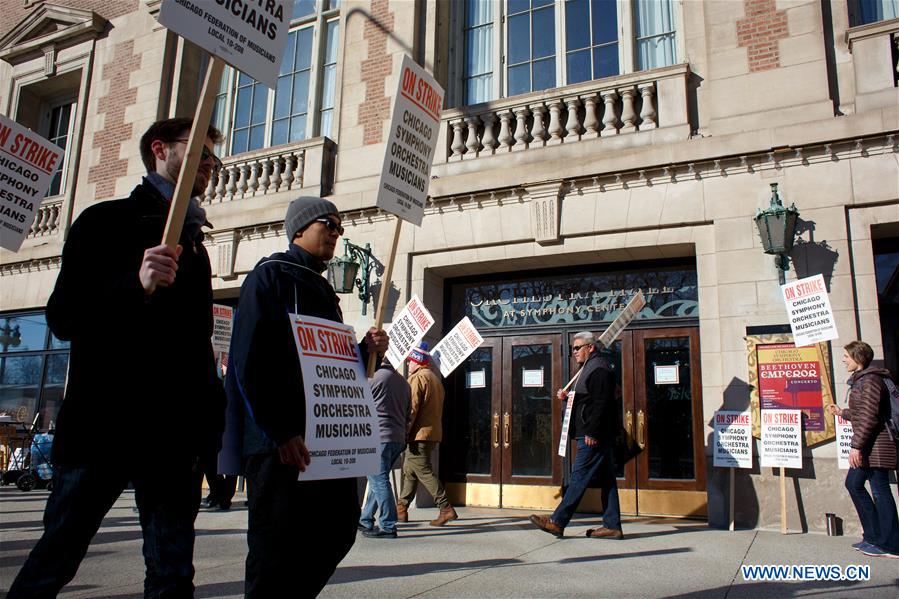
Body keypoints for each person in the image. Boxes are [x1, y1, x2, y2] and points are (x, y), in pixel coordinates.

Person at [9, 118, 227, 598]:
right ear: (159, 150)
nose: (209, 163)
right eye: (199, 150)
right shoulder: (104, 221)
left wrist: (210, 420)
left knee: (172, 574)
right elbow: (64, 316)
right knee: (55, 559)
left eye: (213, 156)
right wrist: (136, 285)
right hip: (104, 428)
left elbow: (196, 345)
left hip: (173, 437)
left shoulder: (195, 246)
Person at [224, 197, 389, 597]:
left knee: (338, 528)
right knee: (273, 551)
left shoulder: (323, 289)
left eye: (340, 227)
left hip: (323, 443)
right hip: (279, 445)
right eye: (328, 224)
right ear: (299, 228)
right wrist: (280, 432)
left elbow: (330, 364)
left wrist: (367, 351)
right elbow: (248, 360)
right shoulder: (269, 276)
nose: (335, 233)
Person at [530, 331, 622, 539]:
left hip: (592, 435)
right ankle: (612, 525)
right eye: (573, 349)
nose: (574, 352)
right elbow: (589, 400)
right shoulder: (588, 368)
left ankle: (557, 521)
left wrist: (592, 431)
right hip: (595, 433)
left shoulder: (598, 368)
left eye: (577, 348)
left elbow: (602, 403)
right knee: (607, 479)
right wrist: (568, 397)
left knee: (579, 477)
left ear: (591, 347)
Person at [826, 340, 899, 559]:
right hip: (868, 445)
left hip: (876, 445)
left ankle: (891, 544)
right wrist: (842, 412)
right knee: (854, 484)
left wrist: (856, 446)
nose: (843, 360)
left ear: (858, 358)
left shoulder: (871, 380)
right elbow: (862, 412)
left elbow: (869, 417)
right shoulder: (862, 380)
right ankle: (874, 536)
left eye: (846, 356)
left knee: (880, 490)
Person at [396, 342, 458, 526]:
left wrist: (404, 431)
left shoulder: (418, 378)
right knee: (410, 470)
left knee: (422, 471)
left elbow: (412, 409)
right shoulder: (435, 379)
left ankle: (445, 508)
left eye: (410, 361)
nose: (408, 364)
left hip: (418, 434)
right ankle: (401, 509)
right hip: (430, 433)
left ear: (418, 361)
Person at [358, 357, 412, 538]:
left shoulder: (373, 378)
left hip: (378, 437)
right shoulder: (404, 383)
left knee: (379, 481)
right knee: (378, 480)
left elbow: (360, 406)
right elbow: (408, 414)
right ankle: (366, 519)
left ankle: (388, 525)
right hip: (397, 438)